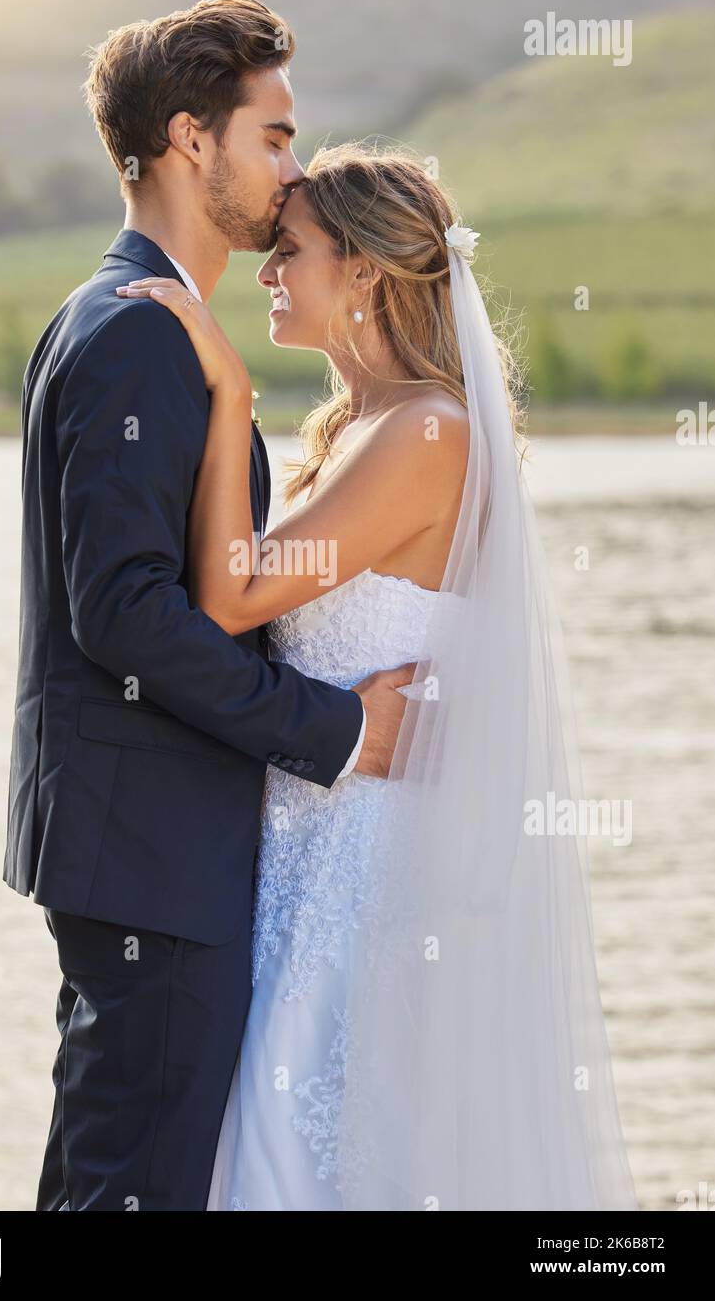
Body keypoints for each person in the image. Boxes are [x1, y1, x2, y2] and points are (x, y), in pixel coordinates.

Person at [119, 141, 639, 1211]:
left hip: (372, 871)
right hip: (299, 847)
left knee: (310, 1149)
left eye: (292, 251)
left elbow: (235, 594)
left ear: (361, 271)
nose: (267, 270)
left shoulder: (429, 431)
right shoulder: (357, 427)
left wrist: (226, 397)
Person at [2, 0, 413, 1212]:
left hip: (139, 849)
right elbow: (124, 616)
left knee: (108, 1179)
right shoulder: (138, 334)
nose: (290, 173)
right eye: (274, 137)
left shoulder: (128, 313)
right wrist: (336, 729)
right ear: (192, 140)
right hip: (153, 853)